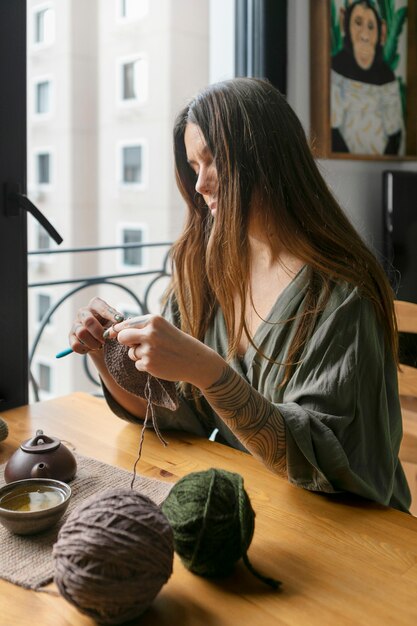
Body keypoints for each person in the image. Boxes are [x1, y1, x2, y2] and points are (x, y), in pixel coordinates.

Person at [69, 77, 411, 512]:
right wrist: (103, 351)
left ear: (265, 158)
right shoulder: (208, 269)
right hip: (259, 506)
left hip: (355, 529)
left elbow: (320, 463)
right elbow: (178, 415)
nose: (200, 184)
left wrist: (209, 371)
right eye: (194, 167)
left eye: (212, 162)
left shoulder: (344, 296)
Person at [331, 0, 404, 155]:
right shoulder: (337, 67)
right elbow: (332, 128)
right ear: (346, 25)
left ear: (381, 33)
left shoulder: (387, 76)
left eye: (371, 27)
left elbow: (395, 133)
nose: (364, 35)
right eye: (358, 23)